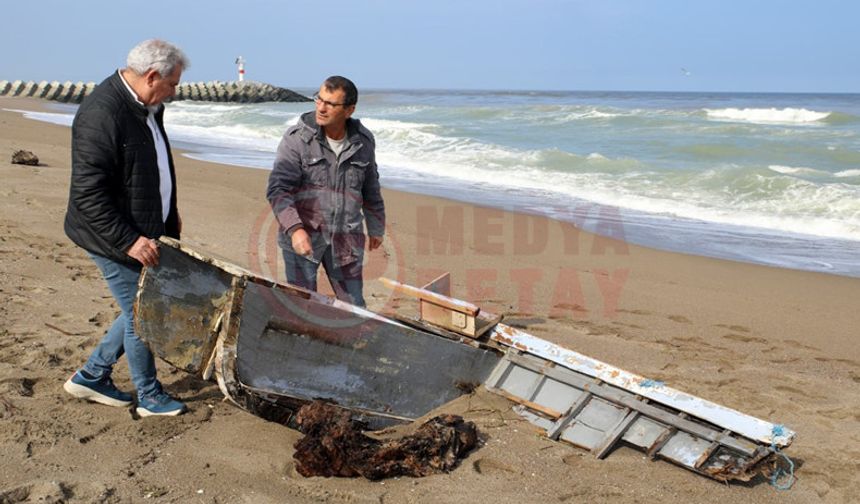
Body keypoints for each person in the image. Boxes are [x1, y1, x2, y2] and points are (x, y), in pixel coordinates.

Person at [62, 39, 189, 417]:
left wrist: (169, 212)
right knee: (142, 312)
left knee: (136, 306)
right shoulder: (103, 113)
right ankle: (149, 396)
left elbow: (151, 163)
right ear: (152, 77)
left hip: (146, 225)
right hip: (110, 235)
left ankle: (92, 376)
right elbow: (88, 195)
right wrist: (129, 241)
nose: (175, 91)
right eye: (173, 83)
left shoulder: (148, 106)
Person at [267, 76, 385, 307]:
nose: (321, 107)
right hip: (304, 238)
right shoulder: (297, 141)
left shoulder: (363, 142)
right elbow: (278, 190)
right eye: (319, 99)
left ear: (349, 110)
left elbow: (370, 187)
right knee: (303, 306)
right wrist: (295, 230)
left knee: (354, 308)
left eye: (331, 104)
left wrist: (376, 226)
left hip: (347, 239)